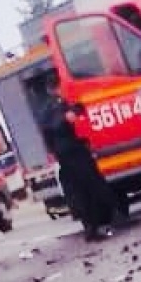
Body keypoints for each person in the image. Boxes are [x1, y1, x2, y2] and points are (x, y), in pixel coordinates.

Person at [31, 73, 121, 240]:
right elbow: (66, 120)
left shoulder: (42, 110)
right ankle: (101, 224)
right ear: (57, 87)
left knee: (79, 191)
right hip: (74, 150)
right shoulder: (58, 105)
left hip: (63, 156)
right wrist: (71, 117)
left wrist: (54, 152)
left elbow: (46, 134)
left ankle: (92, 228)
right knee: (92, 186)